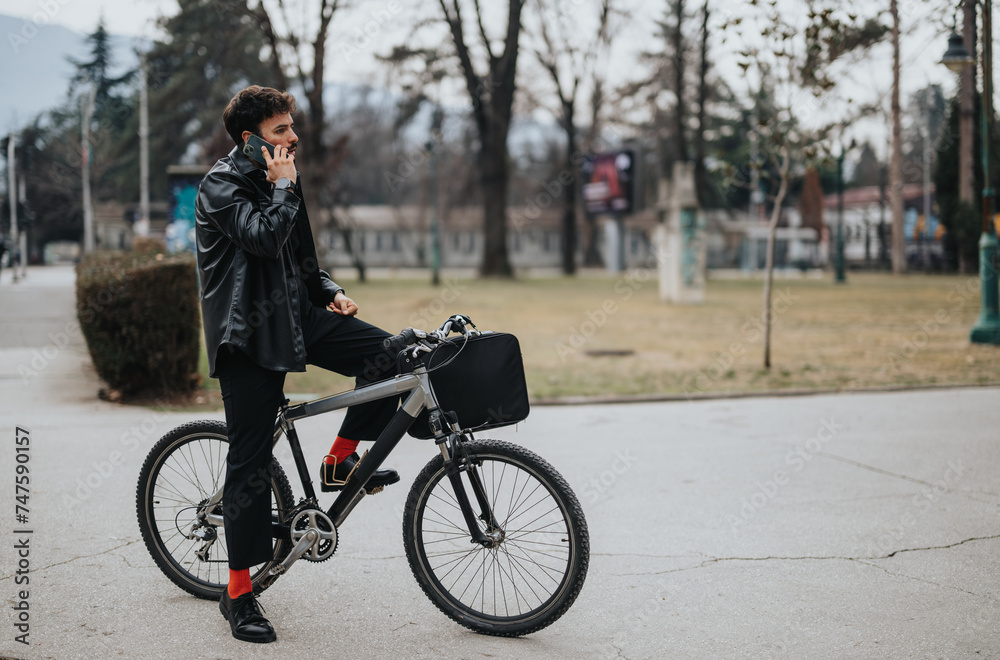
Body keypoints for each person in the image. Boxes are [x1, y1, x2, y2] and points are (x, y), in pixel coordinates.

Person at [195, 85, 400, 644]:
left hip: (297, 315)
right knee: (250, 463)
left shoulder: (285, 178)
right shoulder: (221, 185)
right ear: (250, 138)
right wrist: (283, 188)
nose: (293, 138)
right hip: (249, 335)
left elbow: (300, 251)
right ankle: (238, 594)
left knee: (394, 357)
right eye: (281, 130)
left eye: (292, 127)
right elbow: (262, 239)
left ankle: (340, 459)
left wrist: (326, 288)